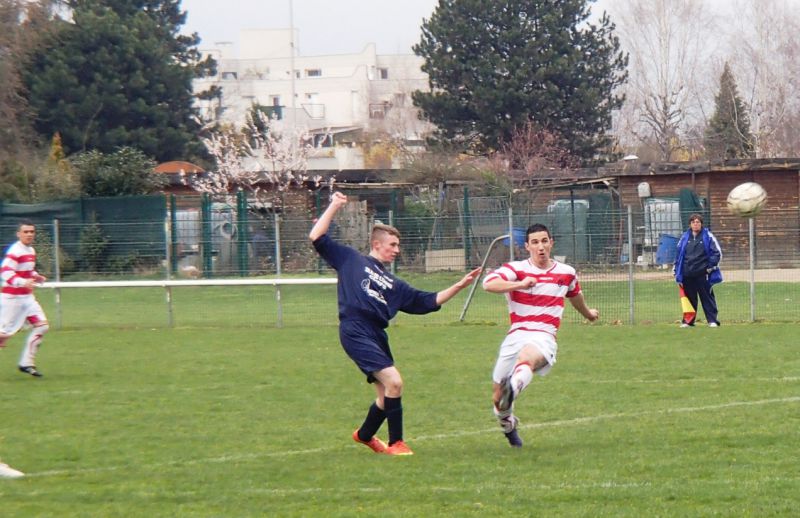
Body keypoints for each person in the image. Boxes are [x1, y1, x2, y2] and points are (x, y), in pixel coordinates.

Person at [310, 192, 481, 456]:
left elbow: (427, 301)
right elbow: (317, 237)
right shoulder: (350, 259)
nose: (397, 250)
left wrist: (459, 285)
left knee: (385, 395)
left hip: (377, 334)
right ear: (376, 244)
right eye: (393, 244)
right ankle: (396, 443)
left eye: (398, 245)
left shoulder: (394, 284)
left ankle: (364, 435)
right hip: (355, 329)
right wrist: (334, 205)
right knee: (395, 382)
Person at [483, 223, 599, 448]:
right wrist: (520, 284)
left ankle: (513, 388)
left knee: (527, 358)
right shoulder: (516, 269)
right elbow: (488, 284)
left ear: (551, 243)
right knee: (497, 401)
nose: (541, 247)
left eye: (544, 241)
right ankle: (508, 424)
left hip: (544, 335)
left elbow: (575, 296)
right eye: (535, 242)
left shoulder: (566, 273)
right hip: (516, 335)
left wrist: (588, 314)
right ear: (527, 246)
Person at [0, 220, 49, 377]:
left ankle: (26, 363)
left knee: (42, 326)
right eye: (26, 232)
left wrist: (36, 276)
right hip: (12, 299)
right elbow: (5, 271)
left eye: (32, 232)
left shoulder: (30, 250)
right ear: (18, 234)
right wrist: (22, 282)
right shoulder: (15, 251)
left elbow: (27, 270)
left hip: (27, 298)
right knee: (3, 336)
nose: (29, 234)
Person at [674, 213, 722, 328]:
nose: (695, 224)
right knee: (689, 299)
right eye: (693, 222)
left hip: (703, 274)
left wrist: (709, 267)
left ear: (701, 224)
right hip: (687, 274)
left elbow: (717, 253)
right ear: (690, 224)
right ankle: (688, 321)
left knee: (707, 298)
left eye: (698, 222)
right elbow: (678, 255)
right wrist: (677, 271)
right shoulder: (684, 237)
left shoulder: (708, 236)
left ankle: (712, 320)